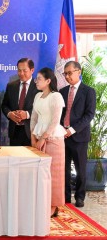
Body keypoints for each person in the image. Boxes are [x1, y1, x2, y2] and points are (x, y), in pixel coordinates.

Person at [30, 67, 66, 217]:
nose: (36, 81)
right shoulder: (37, 96)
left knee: (54, 174)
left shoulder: (56, 96)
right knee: (40, 173)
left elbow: (55, 120)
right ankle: (42, 202)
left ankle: (54, 205)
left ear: (48, 81)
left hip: (53, 138)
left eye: (39, 78)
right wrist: (33, 137)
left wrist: (44, 138)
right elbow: (33, 118)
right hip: (37, 136)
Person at [60, 61, 96, 208]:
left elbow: (89, 115)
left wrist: (72, 130)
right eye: (65, 74)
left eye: (70, 73)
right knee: (64, 168)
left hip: (79, 136)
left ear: (79, 71)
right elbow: (60, 114)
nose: (67, 76)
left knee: (81, 169)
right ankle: (66, 196)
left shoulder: (88, 91)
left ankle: (80, 197)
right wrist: (61, 129)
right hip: (63, 136)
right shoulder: (62, 92)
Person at [2, 58, 39, 146]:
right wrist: (9, 114)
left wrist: (27, 114)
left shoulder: (38, 87)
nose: (21, 73)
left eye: (24, 70)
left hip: (32, 132)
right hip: (14, 132)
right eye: (19, 70)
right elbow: (4, 105)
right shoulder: (11, 86)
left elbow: (43, 109)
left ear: (32, 70)